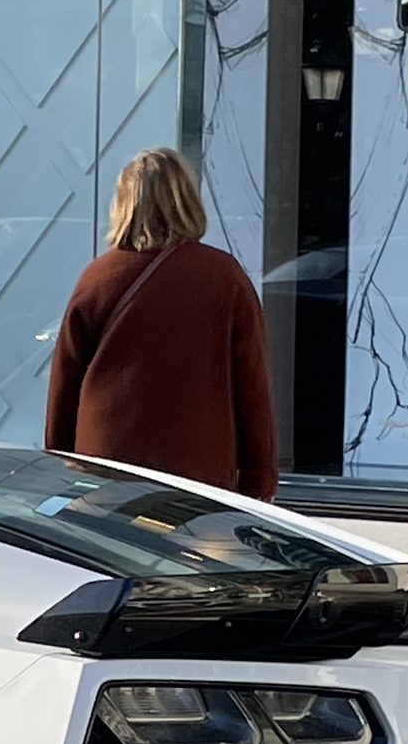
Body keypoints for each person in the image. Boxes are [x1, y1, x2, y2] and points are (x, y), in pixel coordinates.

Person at [43, 148, 280, 499]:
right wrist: (259, 481)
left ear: (123, 205)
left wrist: (60, 468)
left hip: (105, 472)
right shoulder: (224, 278)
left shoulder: (96, 278)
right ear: (187, 201)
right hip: (196, 475)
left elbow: (64, 389)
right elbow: (252, 388)